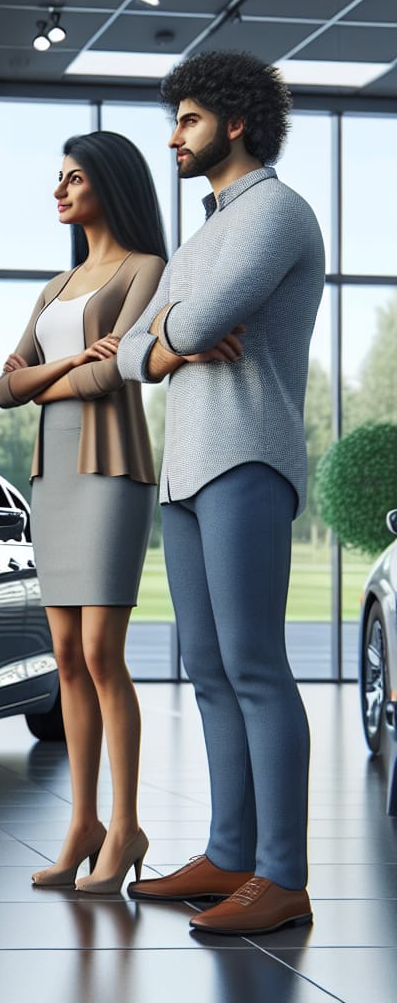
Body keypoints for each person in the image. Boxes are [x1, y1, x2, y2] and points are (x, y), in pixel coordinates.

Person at [117, 51, 325, 935]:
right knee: (205, 670)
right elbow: (128, 354)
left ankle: (282, 877)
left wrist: (168, 334)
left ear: (235, 123)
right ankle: (230, 854)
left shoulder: (277, 213)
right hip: (186, 473)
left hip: (246, 459)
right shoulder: (203, 232)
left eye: (189, 121)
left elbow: (187, 325)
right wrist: (167, 341)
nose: (174, 137)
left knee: (254, 668)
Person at [0, 131, 166, 894]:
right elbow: (2, 390)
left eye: (74, 178)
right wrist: (65, 364)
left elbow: (115, 378)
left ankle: (125, 829)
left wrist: (41, 375)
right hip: (51, 474)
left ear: (111, 184)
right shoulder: (56, 286)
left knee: (101, 653)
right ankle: (82, 824)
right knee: (65, 656)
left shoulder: (146, 268)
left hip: (110, 467)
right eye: (57, 178)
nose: (59, 191)